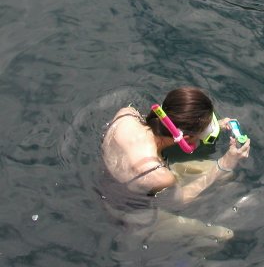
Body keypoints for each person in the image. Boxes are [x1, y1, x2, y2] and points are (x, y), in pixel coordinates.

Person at [101, 87, 250, 204]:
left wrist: (214, 126)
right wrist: (225, 163)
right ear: (186, 138)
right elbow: (180, 200)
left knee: (225, 176)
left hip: (107, 179)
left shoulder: (127, 115)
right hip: (129, 209)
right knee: (223, 234)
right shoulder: (160, 177)